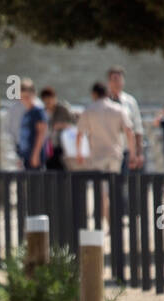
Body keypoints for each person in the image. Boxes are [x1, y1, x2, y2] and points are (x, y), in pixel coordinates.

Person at [77, 82, 135, 224]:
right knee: (115, 187)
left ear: (94, 94)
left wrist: (79, 153)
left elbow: (80, 134)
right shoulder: (118, 109)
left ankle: (107, 221)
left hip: (97, 155)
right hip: (115, 154)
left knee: (103, 192)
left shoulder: (89, 110)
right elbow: (129, 131)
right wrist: (133, 153)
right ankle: (117, 219)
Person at [108, 66, 145, 171]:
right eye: (114, 79)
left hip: (127, 150)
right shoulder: (104, 102)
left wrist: (139, 152)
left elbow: (138, 128)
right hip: (110, 151)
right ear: (109, 82)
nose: (118, 83)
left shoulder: (130, 101)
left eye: (120, 79)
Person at [16, 79, 49, 170]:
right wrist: (21, 156)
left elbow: (42, 133)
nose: (25, 100)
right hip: (26, 156)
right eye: (23, 97)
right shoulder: (26, 113)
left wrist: (36, 154)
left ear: (34, 95)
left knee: (36, 183)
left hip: (35, 157)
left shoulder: (38, 111)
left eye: (27, 97)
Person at [41, 86, 72, 171]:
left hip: (63, 146)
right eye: (46, 101)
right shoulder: (43, 112)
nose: (49, 103)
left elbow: (74, 123)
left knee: (63, 171)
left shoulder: (63, 109)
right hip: (49, 147)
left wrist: (62, 125)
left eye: (50, 100)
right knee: (50, 170)